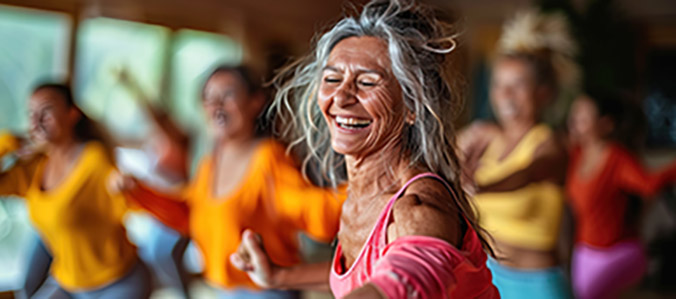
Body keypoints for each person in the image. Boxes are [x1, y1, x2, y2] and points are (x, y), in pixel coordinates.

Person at [229, 1, 500, 298]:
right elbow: (367, 274)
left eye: (367, 82)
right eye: (332, 79)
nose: (341, 97)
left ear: (411, 106)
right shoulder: (358, 195)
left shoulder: (417, 210)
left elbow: (401, 283)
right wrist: (279, 276)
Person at [110, 65, 345, 298]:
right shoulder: (210, 162)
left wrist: (360, 190)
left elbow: (313, 210)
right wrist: (139, 193)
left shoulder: (268, 159)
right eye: (208, 98)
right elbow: (190, 215)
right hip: (225, 290)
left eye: (228, 95)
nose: (216, 106)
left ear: (255, 102)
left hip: (266, 292)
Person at [0, 83, 151, 298]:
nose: (36, 121)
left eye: (47, 111)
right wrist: (7, 142)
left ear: (72, 114)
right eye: (31, 113)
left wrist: (121, 185)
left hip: (117, 283)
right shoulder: (34, 168)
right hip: (68, 284)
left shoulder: (93, 159)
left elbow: (118, 190)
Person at [457, 9, 578, 299]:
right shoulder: (484, 137)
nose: (506, 95)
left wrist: (482, 186)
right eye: (499, 85)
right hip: (485, 275)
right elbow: (434, 159)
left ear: (544, 92)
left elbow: (527, 174)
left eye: (518, 85)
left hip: (535, 285)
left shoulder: (550, 144)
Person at [566, 90, 676, 299]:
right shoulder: (577, 153)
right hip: (585, 253)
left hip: (616, 254)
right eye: (574, 114)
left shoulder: (617, 158)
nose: (573, 121)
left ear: (606, 124)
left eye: (583, 116)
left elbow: (648, 185)